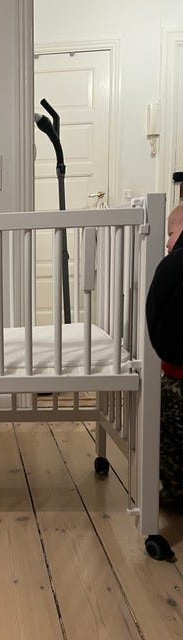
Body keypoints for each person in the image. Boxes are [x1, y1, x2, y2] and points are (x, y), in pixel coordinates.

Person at [146, 203, 183, 507]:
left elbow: (158, 316)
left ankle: (174, 491)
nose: (168, 243)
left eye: (170, 233)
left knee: (169, 436)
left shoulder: (174, 266)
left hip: (177, 378)